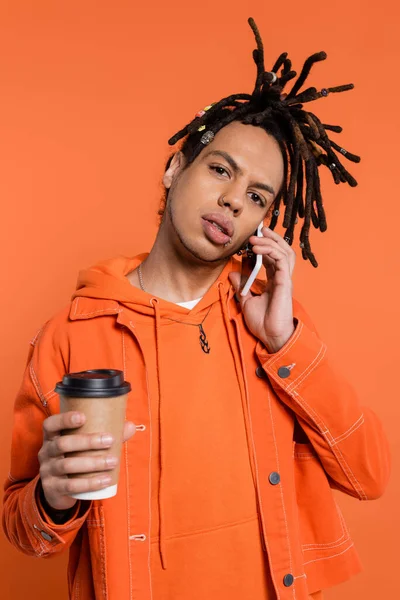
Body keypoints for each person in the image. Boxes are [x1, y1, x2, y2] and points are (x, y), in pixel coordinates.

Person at [2, 17, 390, 600]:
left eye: (257, 196)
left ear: (263, 222)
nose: (234, 198)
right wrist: (52, 498)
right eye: (220, 170)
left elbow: (369, 477)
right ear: (175, 169)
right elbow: (24, 531)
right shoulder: (70, 337)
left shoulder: (272, 326)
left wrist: (286, 345)